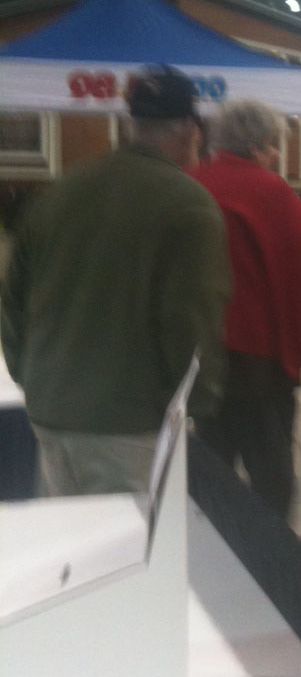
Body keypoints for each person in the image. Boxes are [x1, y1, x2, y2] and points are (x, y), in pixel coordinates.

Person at [0, 65, 231, 495]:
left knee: (72, 535)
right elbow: (190, 319)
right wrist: (198, 404)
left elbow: (11, 300)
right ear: (190, 129)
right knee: (132, 537)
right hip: (129, 426)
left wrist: (31, 375)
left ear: (131, 125)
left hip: (50, 413)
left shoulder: (62, 189)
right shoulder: (189, 205)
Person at [193, 100, 301, 518]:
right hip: (259, 358)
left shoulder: (193, 182)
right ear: (256, 146)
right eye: (273, 146)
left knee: (214, 460)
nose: (275, 155)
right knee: (271, 471)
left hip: (203, 353)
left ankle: (214, 543)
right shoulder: (272, 193)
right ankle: (269, 551)